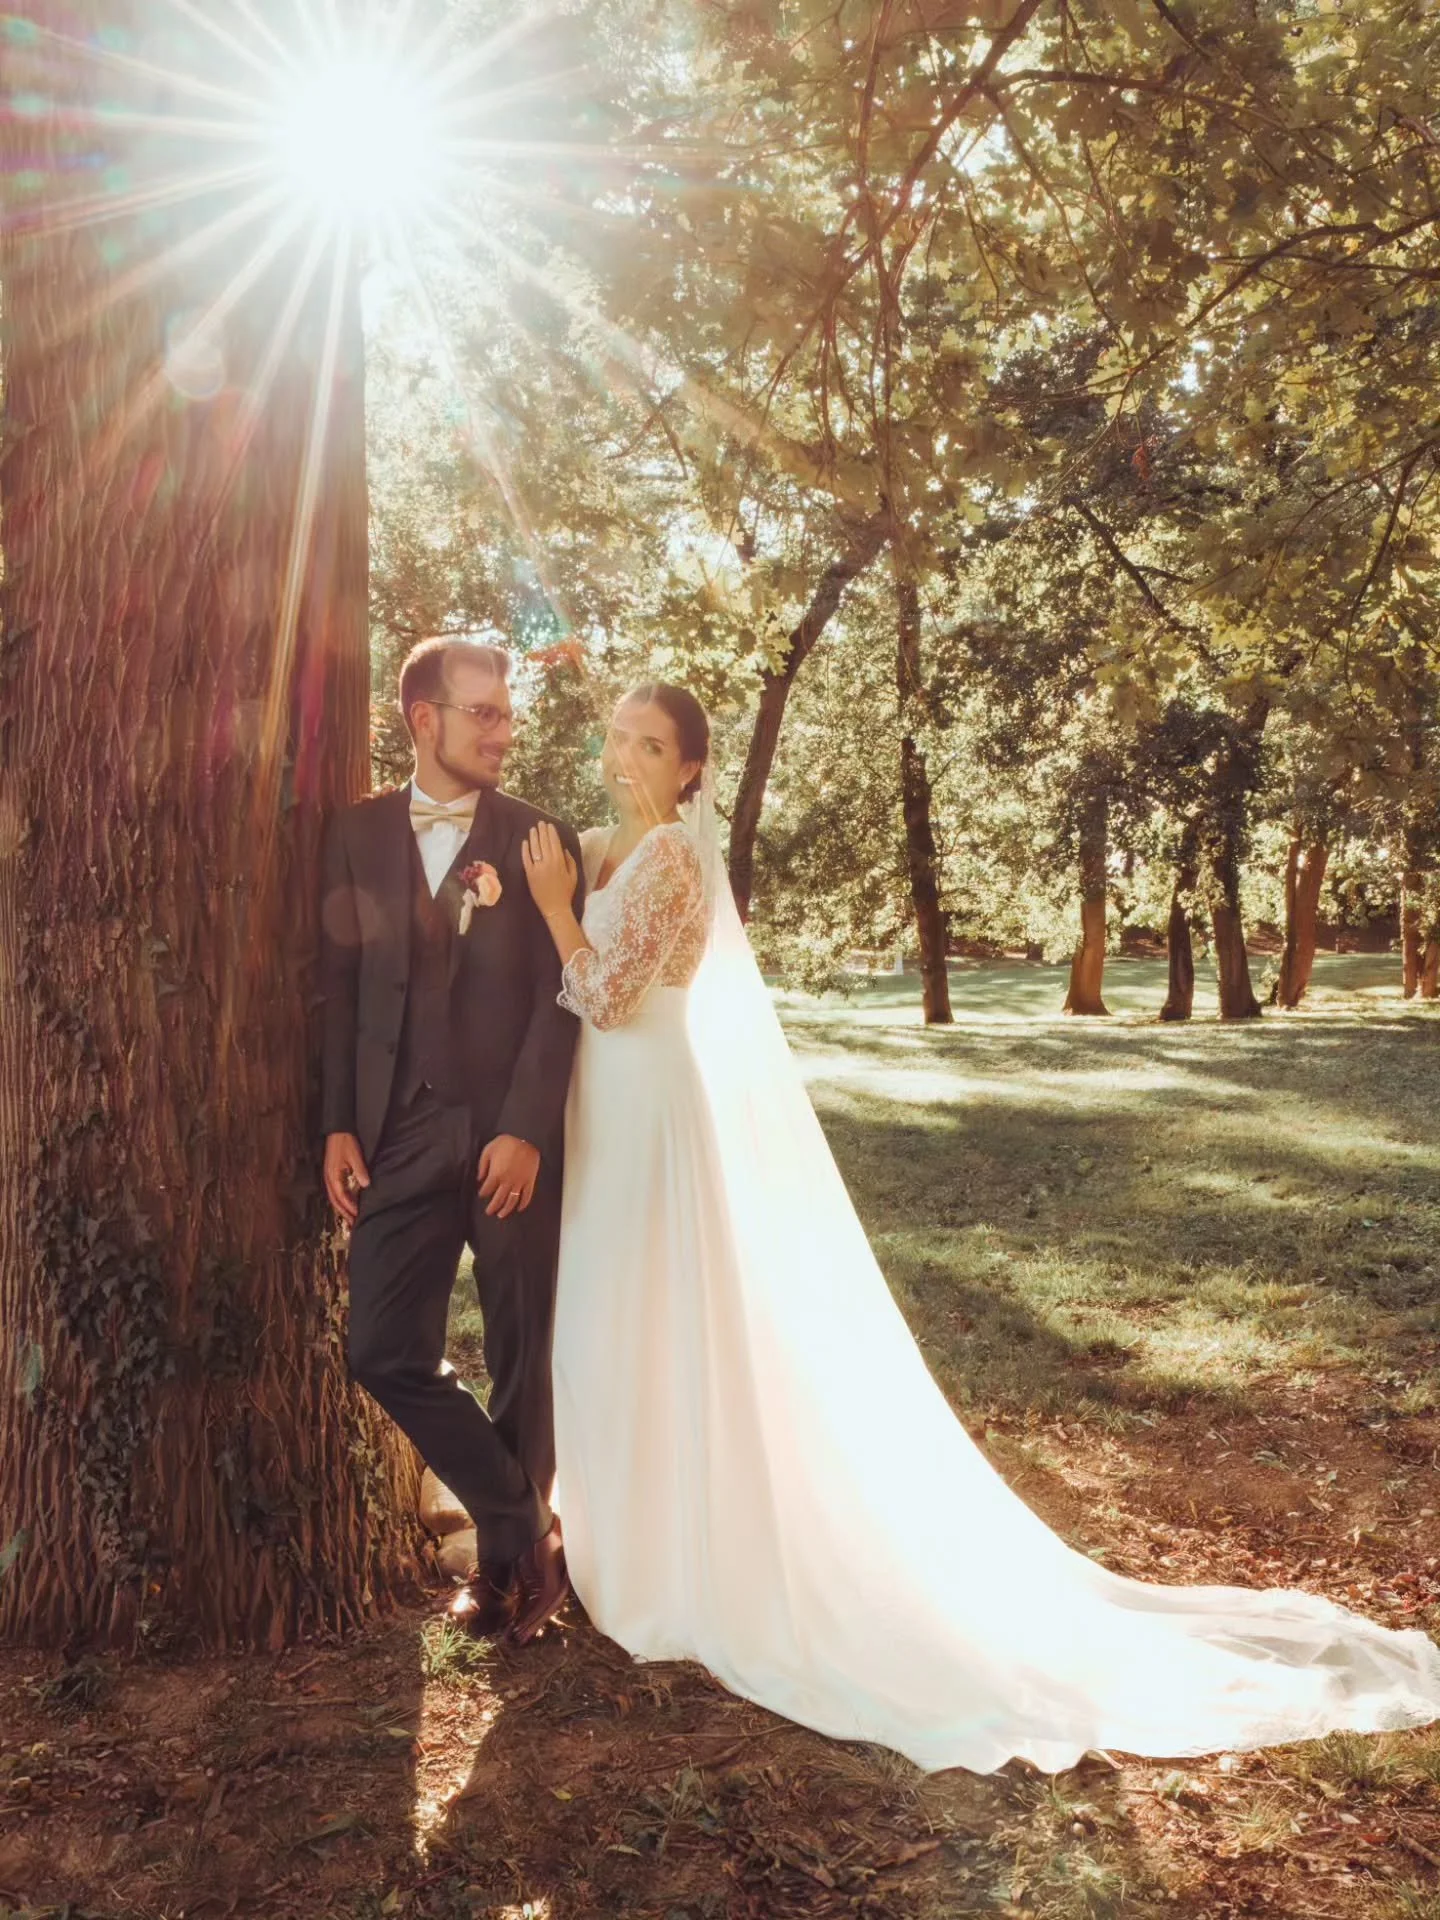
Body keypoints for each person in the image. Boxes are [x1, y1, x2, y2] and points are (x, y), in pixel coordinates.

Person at [520, 679, 1440, 1774]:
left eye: (652, 744)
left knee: (654, 1316)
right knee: (605, 1321)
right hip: (597, 1115)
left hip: (652, 1107)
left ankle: (675, 1558)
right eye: (619, 736)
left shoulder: (673, 857)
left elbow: (610, 997)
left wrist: (553, 911)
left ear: (690, 770)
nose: (627, 756)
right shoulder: (596, 847)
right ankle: (618, 1528)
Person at [321, 636, 581, 1646]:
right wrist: (337, 1121)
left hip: (506, 1134)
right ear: (424, 719)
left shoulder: (540, 839)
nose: (503, 730)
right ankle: (519, 1517)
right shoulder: (356, 833)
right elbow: (338, 990)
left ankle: (512, 1575)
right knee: (382, 1349)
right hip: (398, 1129)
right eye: (484, 713)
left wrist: (525, 1129)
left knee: (521, 1346)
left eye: (507, 712)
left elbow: (562, 994)